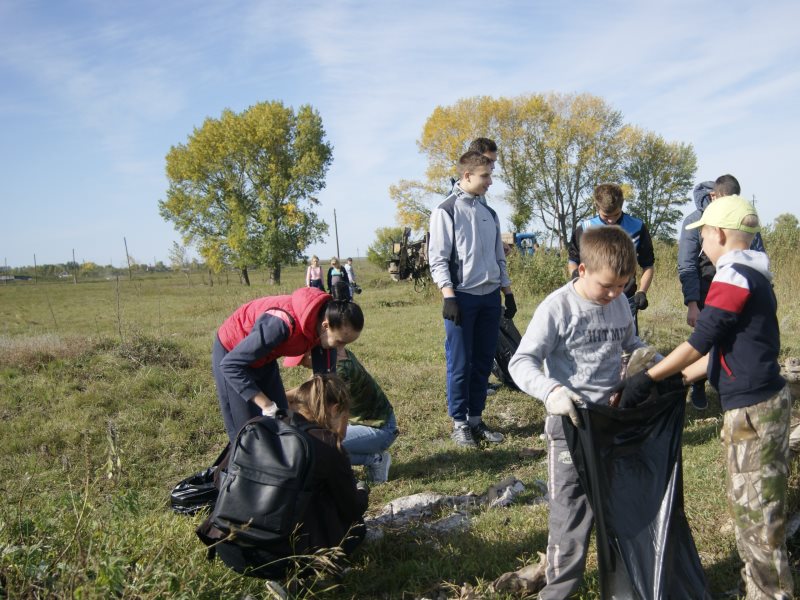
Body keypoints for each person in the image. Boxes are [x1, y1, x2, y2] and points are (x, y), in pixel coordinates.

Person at [620, 195, 792, 600]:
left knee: (758, 516)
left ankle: (771, 594)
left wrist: (648, 378)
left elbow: (702, 339)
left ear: (717, 233)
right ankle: (757, 589)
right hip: (757, 404)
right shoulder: (753, 272)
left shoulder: (732, 275)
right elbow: (725, 349)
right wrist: (678, 379)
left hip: (754, 412)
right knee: (751, 509)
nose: (700, 247)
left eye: (703, 238)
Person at [508, 226, 649, 599]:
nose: (616, 294)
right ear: (582, 270)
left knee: (619, 509)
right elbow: (521, 362)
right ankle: (558, 591)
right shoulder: (557, 308)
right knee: (570, 515)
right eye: (608, 286)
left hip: (613, 423)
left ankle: (624, 588)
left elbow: (630, 344)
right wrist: (551, 391)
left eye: (623, 286)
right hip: (571, 425)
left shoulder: (619, 301)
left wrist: (650, 361)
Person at [429, 150, 516, 448]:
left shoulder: (489, 213)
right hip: (462, 300)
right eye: (486, 176)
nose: (490, 182)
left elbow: (498, 257)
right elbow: (438, 259)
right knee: (460, 363)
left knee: (482, 362)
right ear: (467, 176)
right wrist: (448, 296)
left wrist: (508, 292)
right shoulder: (446, 211)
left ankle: (476, 420)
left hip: (490, 299)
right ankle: (459, 423)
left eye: (491, 175)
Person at [212, 286, 364, 444]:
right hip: (232, 354)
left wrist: (329, 432)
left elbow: (326, 387)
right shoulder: (281, 323)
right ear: (325, 326)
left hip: (265, 356)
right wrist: (267, 405)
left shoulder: (324, 334)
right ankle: (241, 466)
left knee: (283, 419)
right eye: (340, 342)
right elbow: (230, 365)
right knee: (246, 433)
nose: (341, 349)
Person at [678, 174, 765, 410]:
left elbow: (758, 256)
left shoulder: (743, 219)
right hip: (708, 290)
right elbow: (687, 266)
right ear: (713, 195)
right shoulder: (695, 221)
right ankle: (697, 385)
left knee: (731, 344)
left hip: (740, 291)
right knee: (706, 342)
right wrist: (693, 303)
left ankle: (725, 385)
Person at [288, 347, 399, 483]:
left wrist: (279, 397)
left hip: (380, 429)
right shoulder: (336, 357)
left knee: (323, 447)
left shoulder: (339, 372)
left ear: (311, 353)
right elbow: (310, 388)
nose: (300, 364)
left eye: (302, 359)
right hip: (363, 423)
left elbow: (310, 393)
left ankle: (376, 459)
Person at [568, 183, 655, 334]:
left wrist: (642, 292)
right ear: (597, 207)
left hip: (625, 299)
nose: (611, 221)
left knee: (626, 349)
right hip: (591, 299)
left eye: (616, 215)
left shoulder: (637, 227)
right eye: (606, 216)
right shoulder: (584, 228)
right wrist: (576, 276)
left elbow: (648, 265)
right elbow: (573, 261)